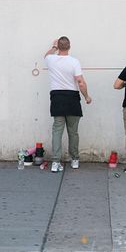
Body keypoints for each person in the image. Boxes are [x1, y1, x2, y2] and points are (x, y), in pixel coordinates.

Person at [44, 36, 91, 172]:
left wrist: (53, 47)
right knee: (73, 132)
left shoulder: (51, 59)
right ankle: (75, 160)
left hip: (57, 97)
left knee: (57, 131)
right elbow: (80, 82)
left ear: (58, 46)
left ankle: (55, 162)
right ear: (69, 47)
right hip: (72, 98)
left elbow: (46, 55)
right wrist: (86, 96)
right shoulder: (74, 62)